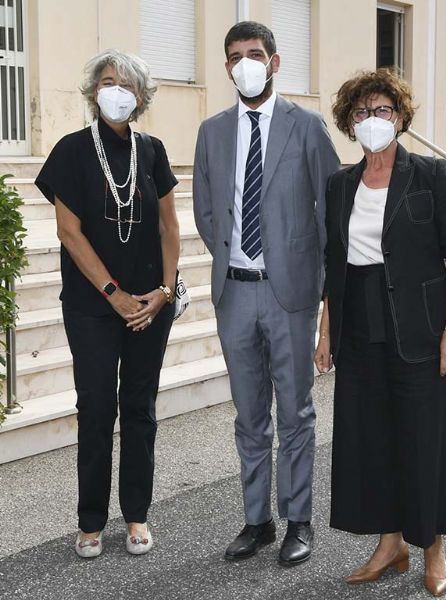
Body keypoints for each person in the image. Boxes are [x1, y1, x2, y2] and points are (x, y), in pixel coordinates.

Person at [314, 69, 446, 597]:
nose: (372, 120)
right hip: (359, 329)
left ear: (400, 117)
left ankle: (432, 548)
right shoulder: (340, 185)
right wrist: (326, 332)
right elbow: (334, 264)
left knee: (422, 440)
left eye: (381, 110)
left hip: (421, 328)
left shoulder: (432, 176)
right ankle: (390, 545)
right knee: (372, 440)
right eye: (361, 113)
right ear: (349, 123)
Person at [193, 21, 340, 566]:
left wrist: (328, 303)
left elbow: (331, 215)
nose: (245, 63)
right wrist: (236, 258)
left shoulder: (307, 127)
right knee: (249, 414)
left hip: (292, 296)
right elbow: (206, 211)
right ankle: (258, 521)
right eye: (235, 56)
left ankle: (298, 519)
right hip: (234, 293)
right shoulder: (212, 131)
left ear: (275, 62)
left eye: (255, 53)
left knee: (295, 413)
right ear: (227, 67)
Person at [35, 49, 180, 558]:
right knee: (96, 408)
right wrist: (114, 295)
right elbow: (68, 232)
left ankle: (137, 515)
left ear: (140, 97)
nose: (115, 91)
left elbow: (169, 226)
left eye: (125, 84)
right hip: (94, 306)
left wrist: (164, 291)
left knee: (139, 409)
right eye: (107, 81)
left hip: (149, 305)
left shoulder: (154, 151)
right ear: (94, 91)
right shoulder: (71, 151)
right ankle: (91, 519)